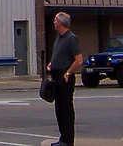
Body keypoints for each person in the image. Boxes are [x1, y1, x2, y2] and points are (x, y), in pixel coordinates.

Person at [47, 11, 83, 146]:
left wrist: (68, 72)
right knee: (59, 110)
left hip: (65, 78)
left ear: (60, 23)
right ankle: (62, 139)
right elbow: (60, 55)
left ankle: (68, 141)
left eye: (55, 20)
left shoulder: (71, 38)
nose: (54, 22)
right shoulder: (59, 38)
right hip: (56, 76)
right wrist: (52, 63)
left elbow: (78, 60)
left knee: (66, 109)